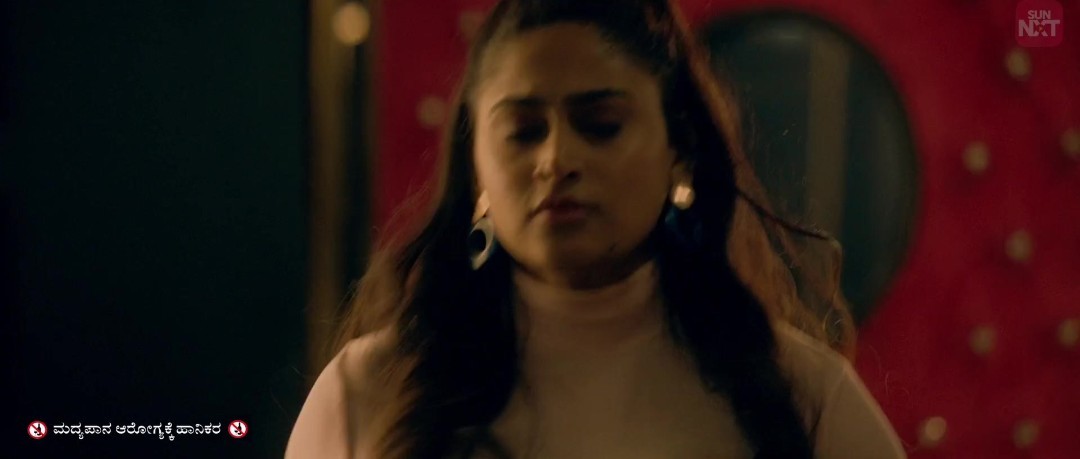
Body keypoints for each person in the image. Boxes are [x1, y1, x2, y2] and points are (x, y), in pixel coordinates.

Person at [286, 0, 908, 457]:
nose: (557, 160)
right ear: (475, 167)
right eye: (524, 132)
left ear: (678, 151)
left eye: (601, 125)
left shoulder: (799, 396)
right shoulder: (372, 391)